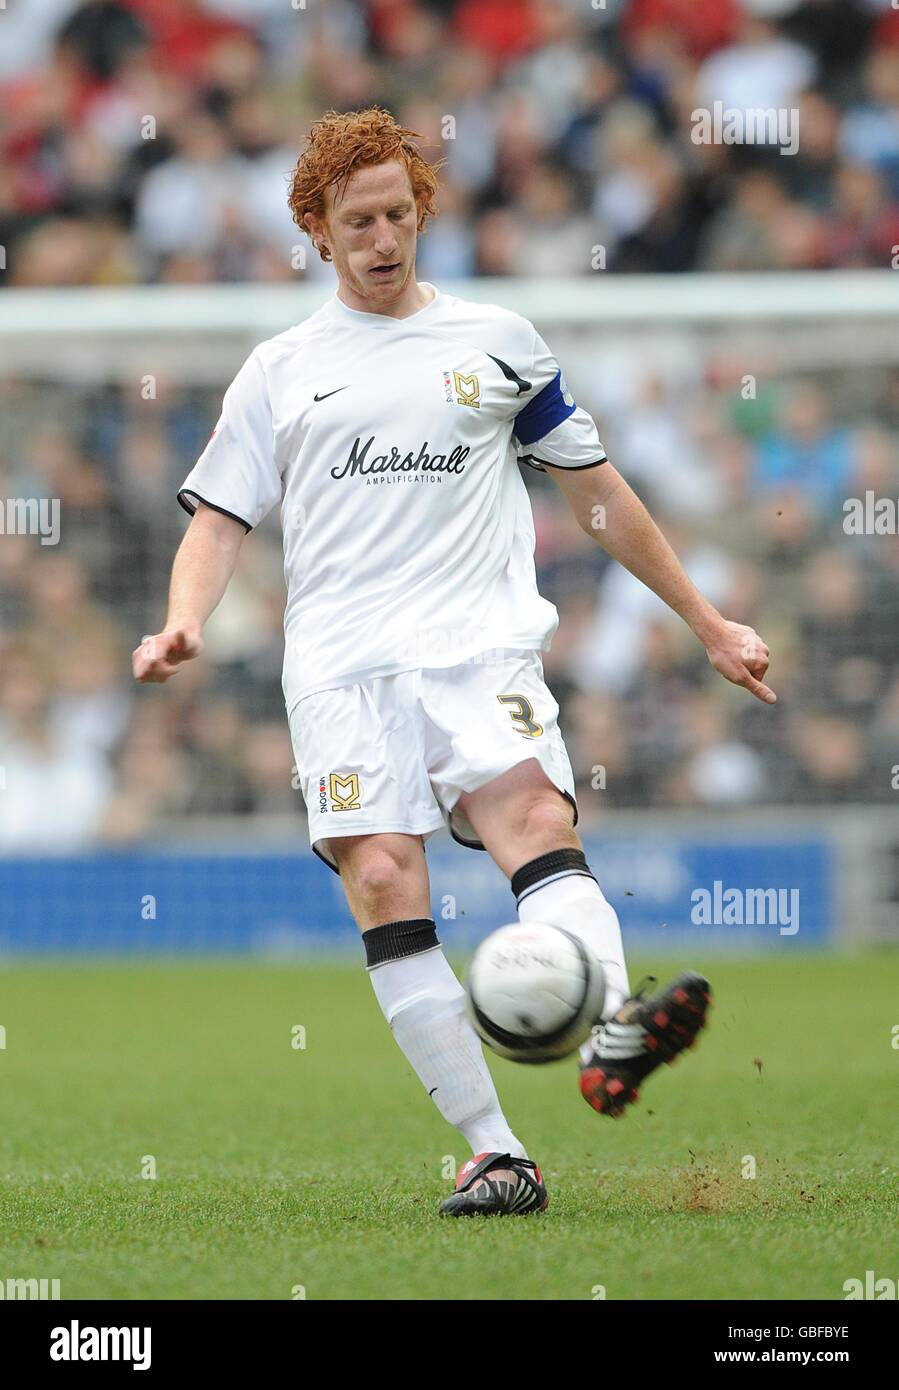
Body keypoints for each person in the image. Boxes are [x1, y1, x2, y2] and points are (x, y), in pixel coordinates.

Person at [133, 107, 775, 1218]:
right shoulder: (279, 372)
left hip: (478, 648)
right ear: (315, 229)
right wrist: (181, 619)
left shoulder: (499, 341)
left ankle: (613, 1026)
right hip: (339, 671)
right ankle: (496, 1150)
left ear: (420, 211)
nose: (381, 239)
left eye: (397, 214)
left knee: (535, 822)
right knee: (383, 880)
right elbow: (218, 522)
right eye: (356, 221)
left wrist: (707, 622)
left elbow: (599, 499)